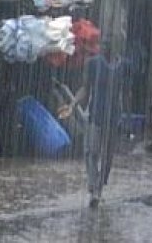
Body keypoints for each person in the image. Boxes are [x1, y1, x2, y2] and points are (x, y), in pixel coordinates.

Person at [58, 53, 126, 208]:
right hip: (95, 115)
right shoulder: (93, 64)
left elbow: (124, 92)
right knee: (91, 152)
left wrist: (125, 117)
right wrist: (73, 104)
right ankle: (94, 189)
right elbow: (85, 87)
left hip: (113, 118)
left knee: (107, 156)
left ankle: (99, 188)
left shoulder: (123, 66)